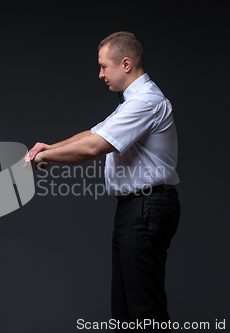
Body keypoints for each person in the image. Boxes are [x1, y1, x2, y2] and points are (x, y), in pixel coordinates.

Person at [26, 32, 181, 332]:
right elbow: (92, 134)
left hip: (147, 207)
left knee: (144, 310)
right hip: (134, 209)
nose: (100, 74)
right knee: (124, 309)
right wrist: (48, 148)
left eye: (103, 67)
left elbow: (94, 147)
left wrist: (44, 159)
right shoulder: (129, 104)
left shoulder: (146, 103)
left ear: (125, 64)